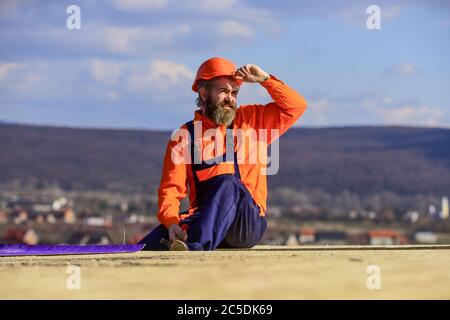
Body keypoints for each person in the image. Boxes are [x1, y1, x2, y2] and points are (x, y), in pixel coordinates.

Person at [138, 57, 307, 251]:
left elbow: (296, 106)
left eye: (234, 92)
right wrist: (171, 222)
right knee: (150, 243)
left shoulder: (254, 121)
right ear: (203, 94)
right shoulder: (185, 137)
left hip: (246, 224)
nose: (230, 98)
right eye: (223, 91)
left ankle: (196, 248)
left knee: (228, 182)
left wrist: (265, 79)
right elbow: (170, 188)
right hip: (206, 220)